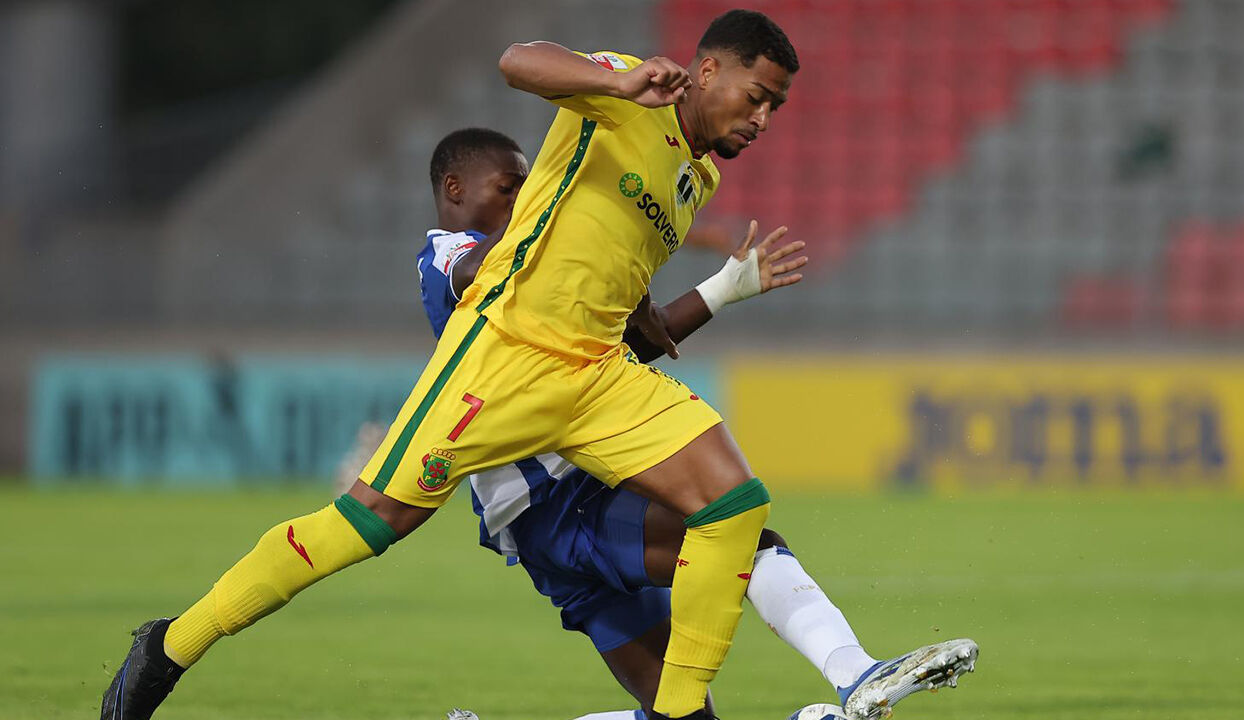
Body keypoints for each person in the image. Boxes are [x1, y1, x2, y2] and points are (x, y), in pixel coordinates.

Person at [101, 11, 968, 720]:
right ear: (708, 71)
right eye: (757, 96)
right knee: (366, 525)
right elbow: (519, 61)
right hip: (509, 355)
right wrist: (617, 83)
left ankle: (693, 710)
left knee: (735, 504)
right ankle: (170, 647)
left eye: (776, 107)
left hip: (597, 378)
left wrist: (681, 301)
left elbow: (617, 281)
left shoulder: (695, 182)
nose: (763, 118)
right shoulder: (624, 88)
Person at [407, 129, 975, 720]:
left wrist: (724, 288)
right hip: (558, 498)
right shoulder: (448, 257)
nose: (523, 198)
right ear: (454, 188)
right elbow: (476, 269)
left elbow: (629, 346)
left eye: (528, 187)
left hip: (558, 506)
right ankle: (856, 674)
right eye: (509, 187)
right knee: (745, 541)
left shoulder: (532, 283)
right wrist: (564, 212)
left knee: (680, 717)